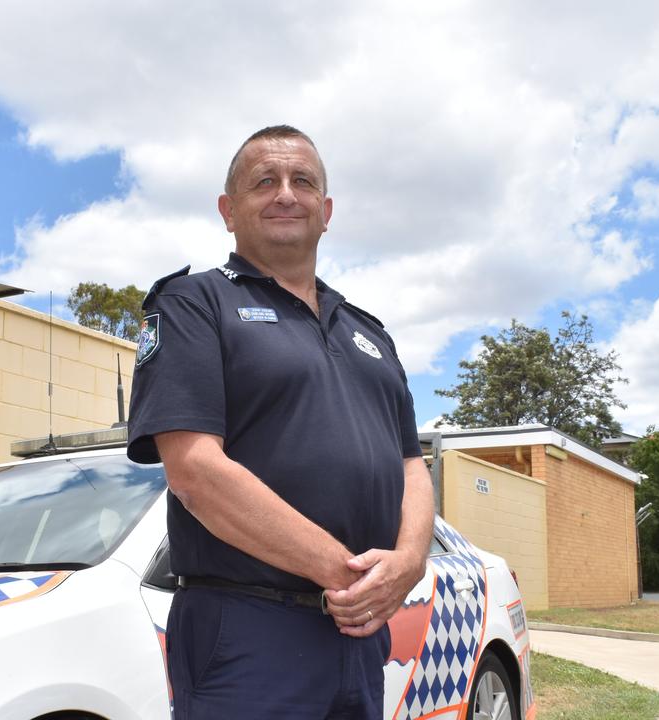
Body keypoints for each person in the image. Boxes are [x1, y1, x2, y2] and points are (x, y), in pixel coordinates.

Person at [127, 125, 433, 719]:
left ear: (327, 210)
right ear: (228, 210)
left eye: (303, 182)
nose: (286, 193)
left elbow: (410, 465)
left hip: (358, 632)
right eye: (264, 181)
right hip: (246, 630)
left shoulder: (369, 332)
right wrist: (345, 574)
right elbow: (192, 468)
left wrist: (409, 563)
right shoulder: (193, 304)